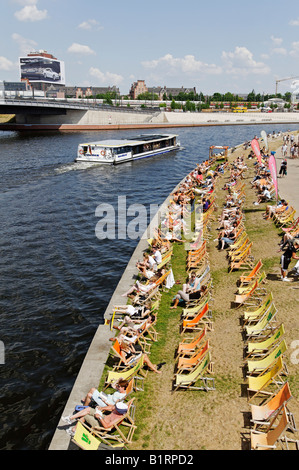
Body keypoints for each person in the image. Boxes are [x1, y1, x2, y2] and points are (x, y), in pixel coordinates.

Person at [63, 402, 130, 437]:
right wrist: (102, 408)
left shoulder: (118, 418)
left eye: (116, 408)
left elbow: (106, 426)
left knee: (85, 416)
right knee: (88, 409)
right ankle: (70, 418)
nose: (114, 408)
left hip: (101, 426)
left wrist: (99, 418)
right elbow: (111, 407)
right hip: (102, 417)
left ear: (119, 411)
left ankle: (73, 431)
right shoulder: (118, 410)